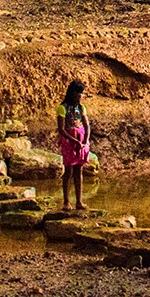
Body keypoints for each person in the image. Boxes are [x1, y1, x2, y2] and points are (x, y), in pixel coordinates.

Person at [56, 79, 92, 211]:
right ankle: (66, 201)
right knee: (68, 171)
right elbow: (61, 129)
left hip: (81, 140)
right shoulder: (62, 108)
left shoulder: (81, 108)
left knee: (79, 170)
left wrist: (85, 140)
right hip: (69, 141)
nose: (81, 97)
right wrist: (74, 140)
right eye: (80, 94)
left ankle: (79, 201)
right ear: (73, 93)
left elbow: (87, 125)